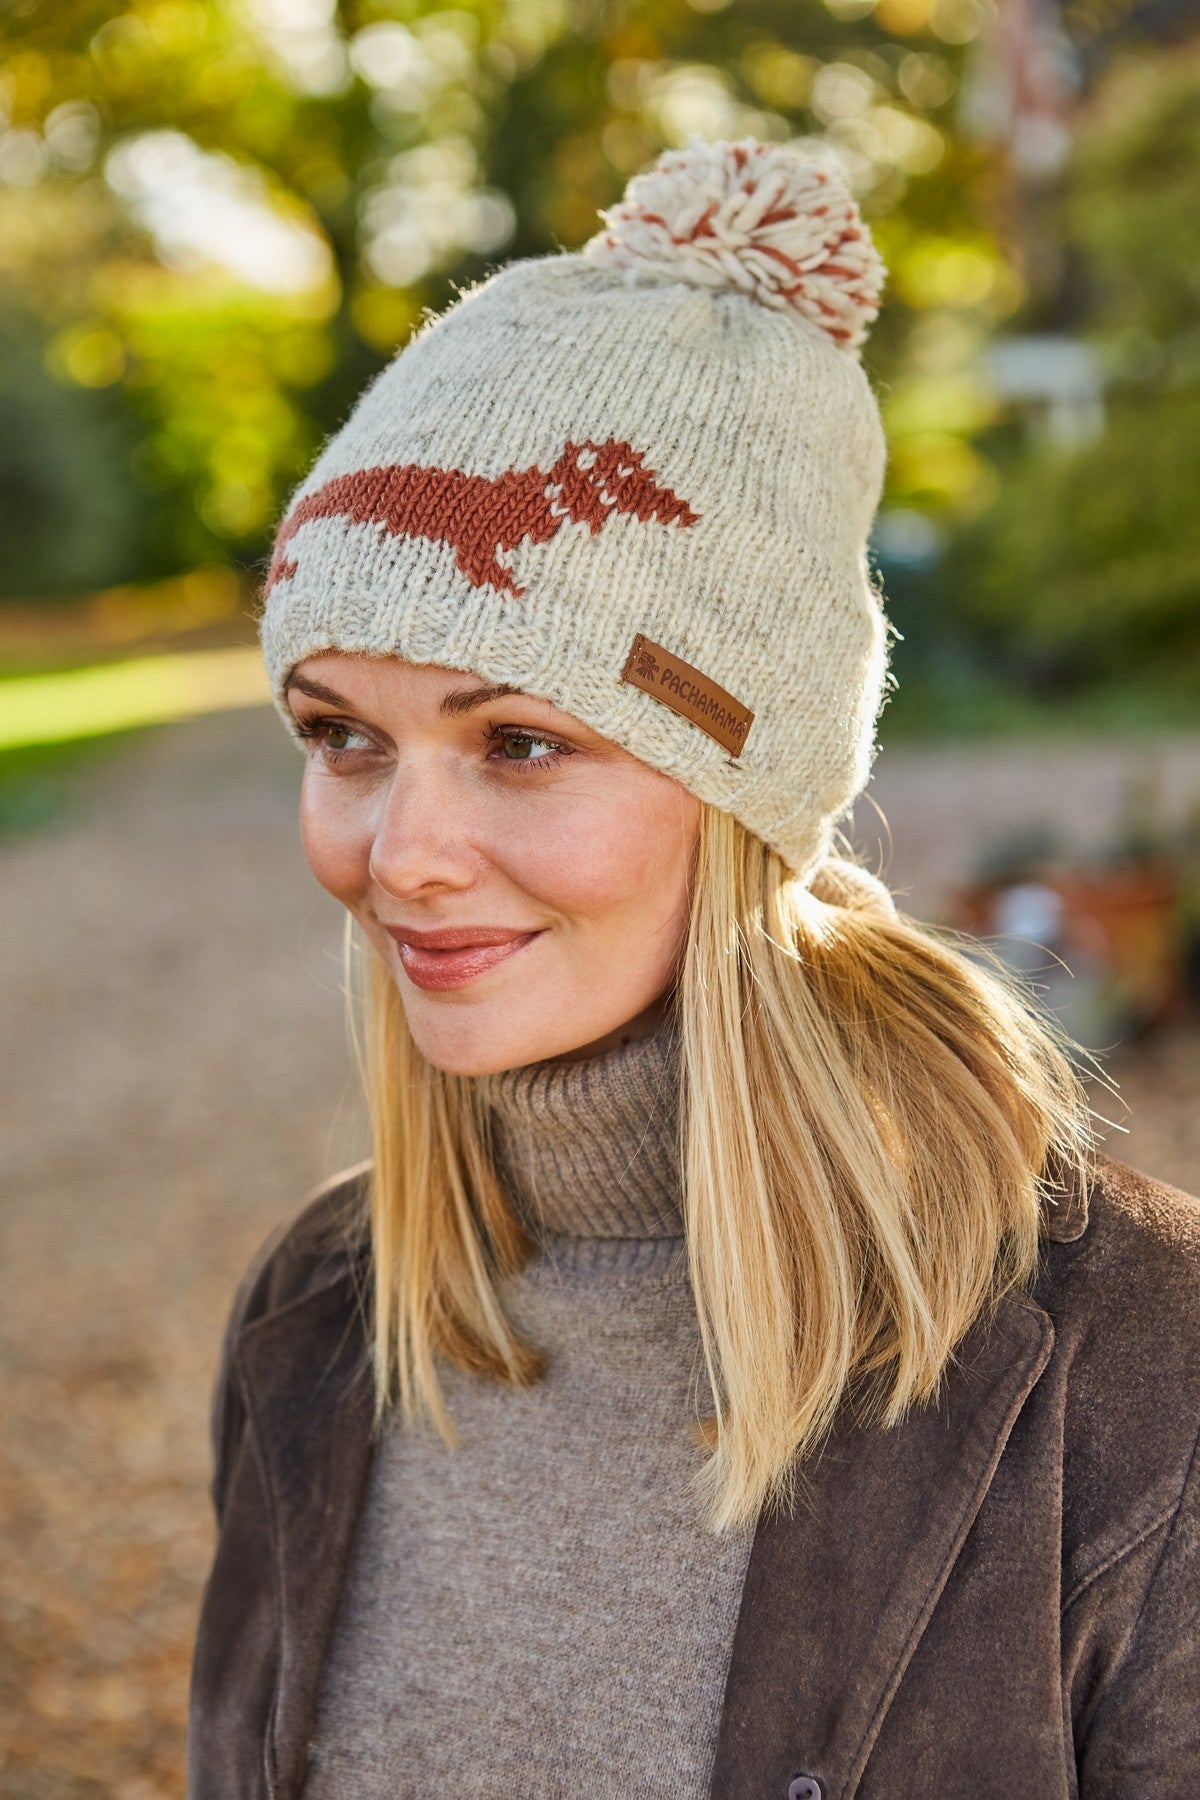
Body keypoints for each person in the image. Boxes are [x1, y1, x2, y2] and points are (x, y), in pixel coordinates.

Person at [187, 139, 1200, 1799]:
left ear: (751, 792)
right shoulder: (314, 1319)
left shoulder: (1139, 1370)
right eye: (344, 737)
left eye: (519, 740)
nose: (400, 853)